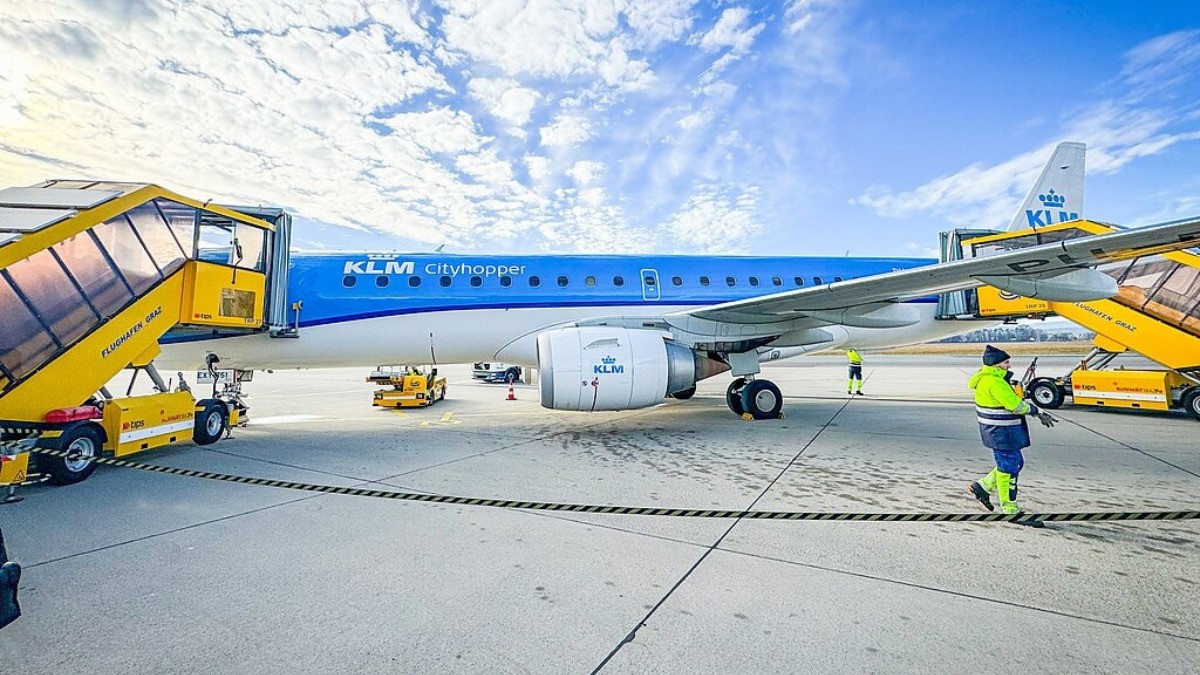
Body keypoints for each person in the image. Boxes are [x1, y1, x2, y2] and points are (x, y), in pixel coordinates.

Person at [967, 345, 1056, 527]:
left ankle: (983, 486)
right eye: (1006, 362)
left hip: (999, 431)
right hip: (1001, 432)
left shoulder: (989, 379)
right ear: (996, 364)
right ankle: (1010, 510)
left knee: (1013, 463)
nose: (1009, 365)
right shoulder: (994, 382)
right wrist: (1037, 411)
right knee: (1009, 467)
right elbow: (1015, 405)